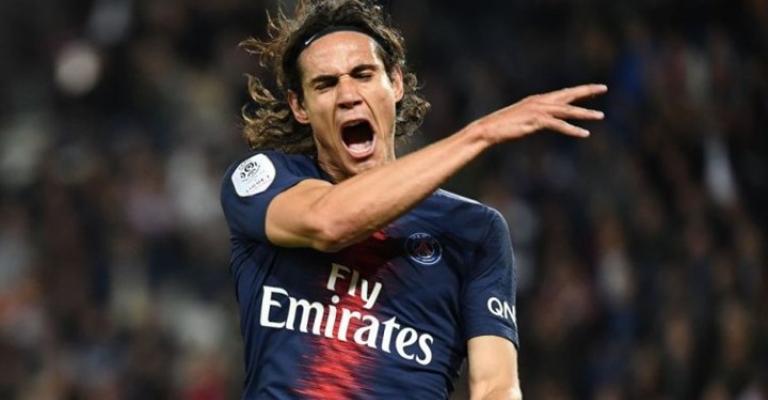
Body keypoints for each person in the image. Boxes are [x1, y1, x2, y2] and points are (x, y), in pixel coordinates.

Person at [220, 1, 606, 398]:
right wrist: (479, 134)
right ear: (299, 106)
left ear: (396, 83)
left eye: (363, 74)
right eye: (325, 84)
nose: (348, 95)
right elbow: (329, 222)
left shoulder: (474, 228)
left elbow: (496, 385)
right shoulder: (262, 180)